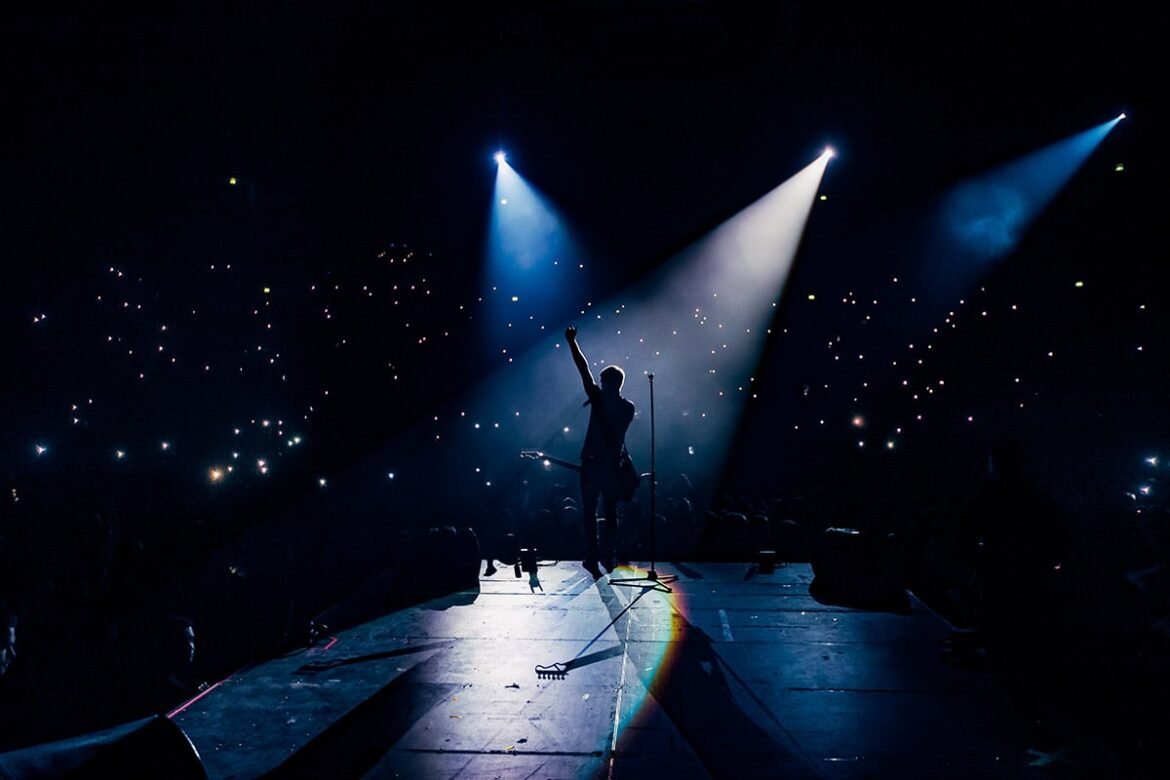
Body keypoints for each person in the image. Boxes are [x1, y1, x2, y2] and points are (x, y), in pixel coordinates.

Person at [565, 326, 635, 579]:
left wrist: (572, 343)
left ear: (608, 383)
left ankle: (593, 556)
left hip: (594, 463)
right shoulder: (628, 407)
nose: (600, 384)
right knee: (610, 511)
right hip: (612, 466)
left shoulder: (598, 398)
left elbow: (583, 369)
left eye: (603, 381)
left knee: (590, 511)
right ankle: (608, 554)